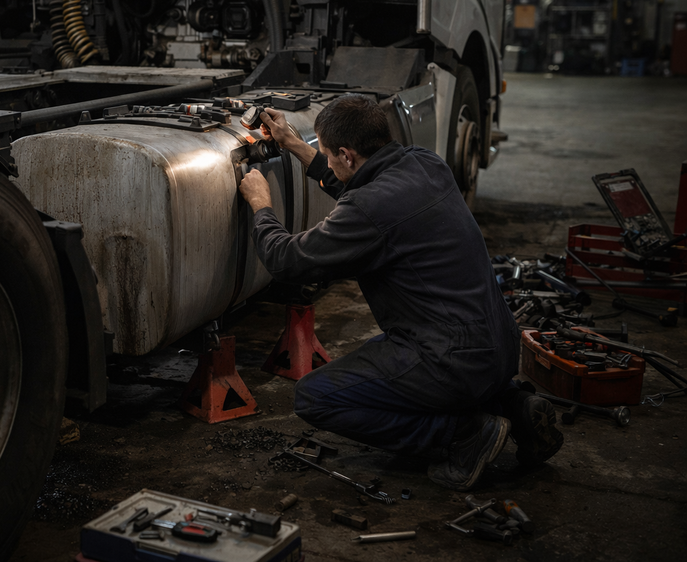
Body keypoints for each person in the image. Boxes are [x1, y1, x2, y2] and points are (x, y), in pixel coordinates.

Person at [237, 94, 562, 491]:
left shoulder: (369, 207)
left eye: (328, 154)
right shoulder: (426, 163)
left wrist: (261, 205)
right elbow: (364, 197)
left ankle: (462, 435)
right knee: (390, 353)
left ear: (347, 155)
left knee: (316, 397)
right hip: (500, 348)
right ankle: (515, 406)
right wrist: (294, 145)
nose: (328, 160)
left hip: (452, 361)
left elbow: (286, 260)